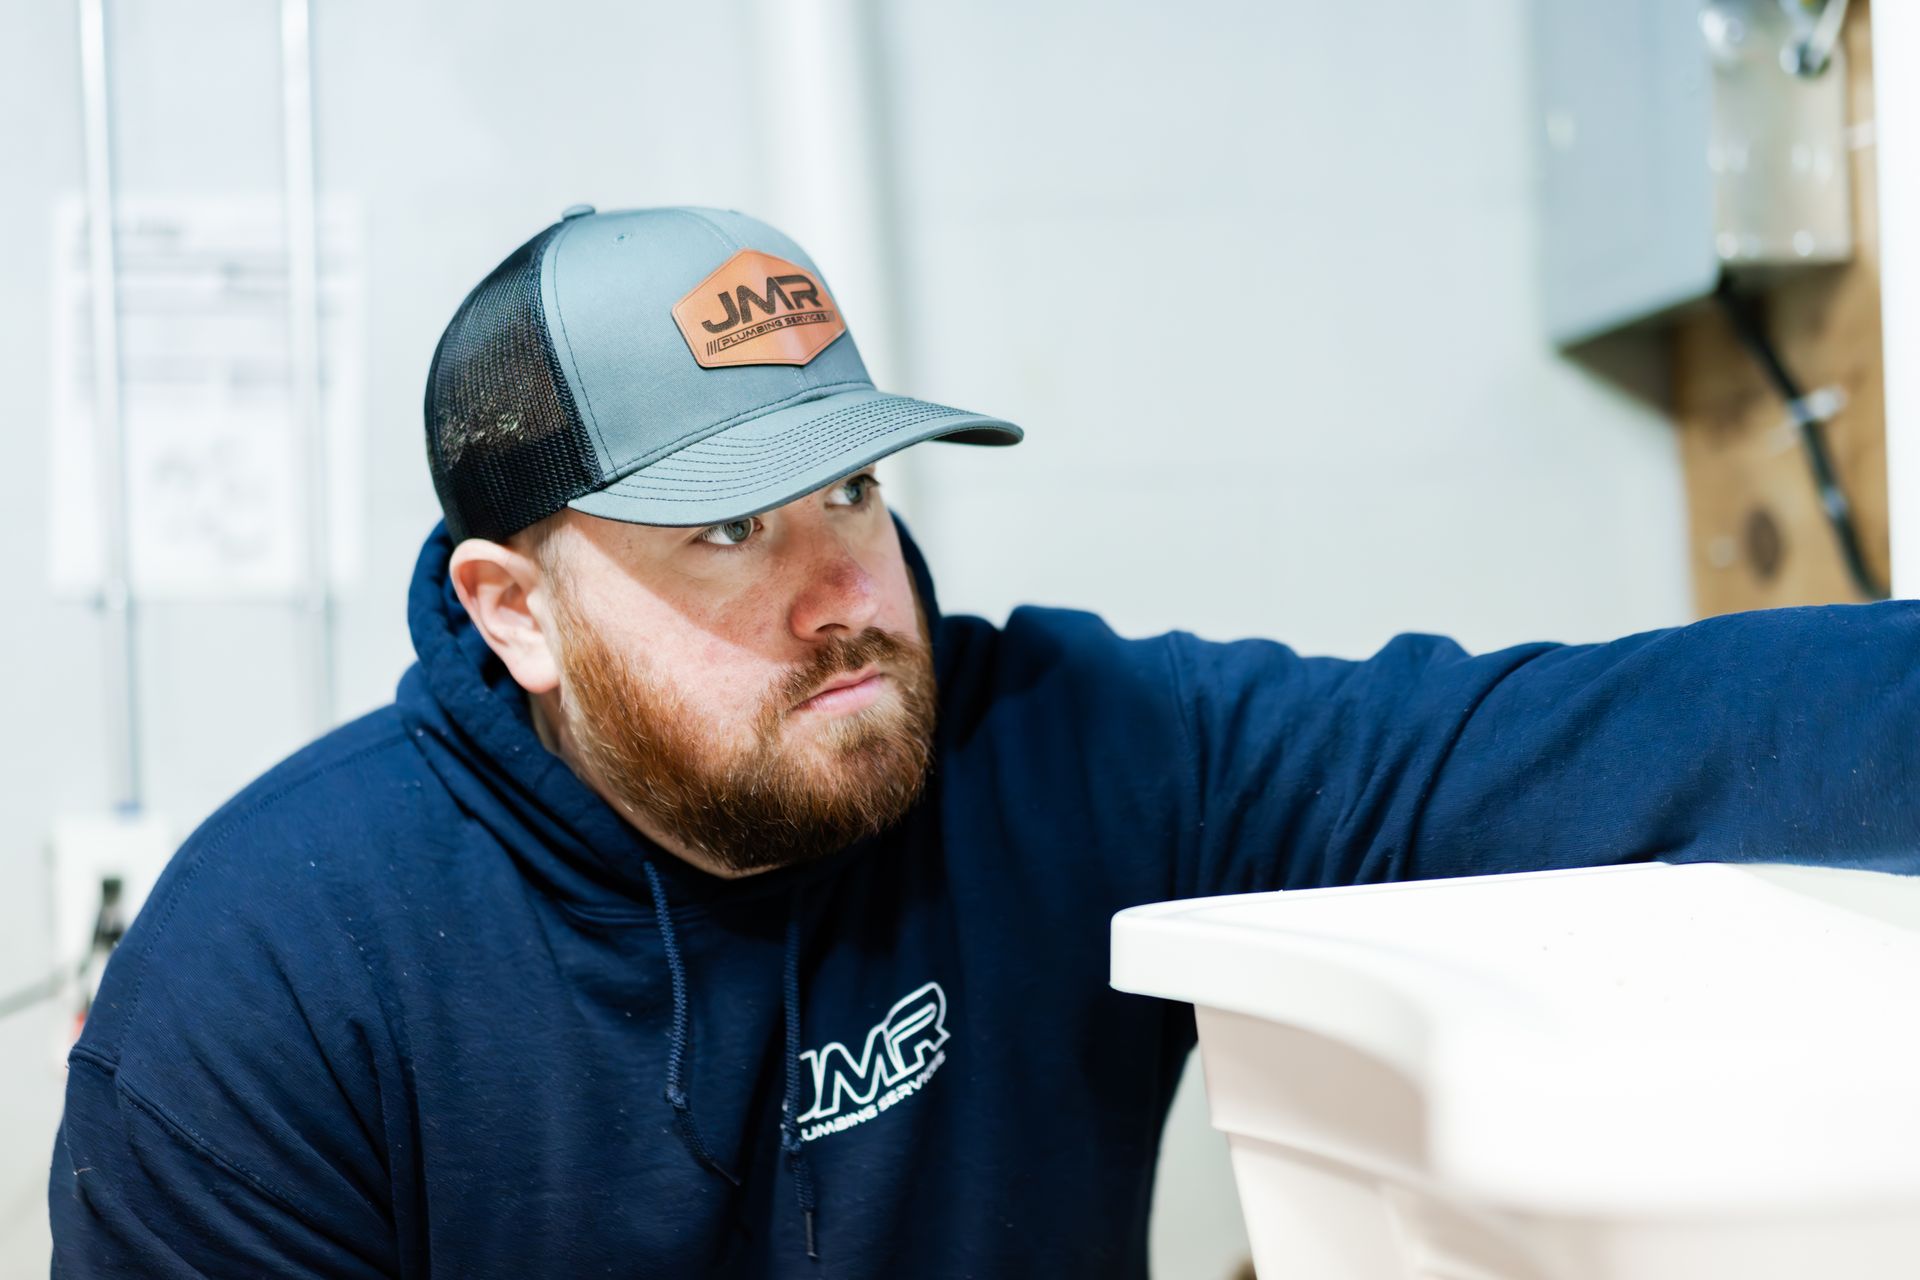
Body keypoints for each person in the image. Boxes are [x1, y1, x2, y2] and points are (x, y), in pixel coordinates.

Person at [48, 206, 1920, 1278]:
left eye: (852, 487)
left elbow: (1569, 741)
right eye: (724, 530)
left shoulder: (1057, 743)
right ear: (511, 610)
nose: (840, 588)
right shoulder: (270, 985)